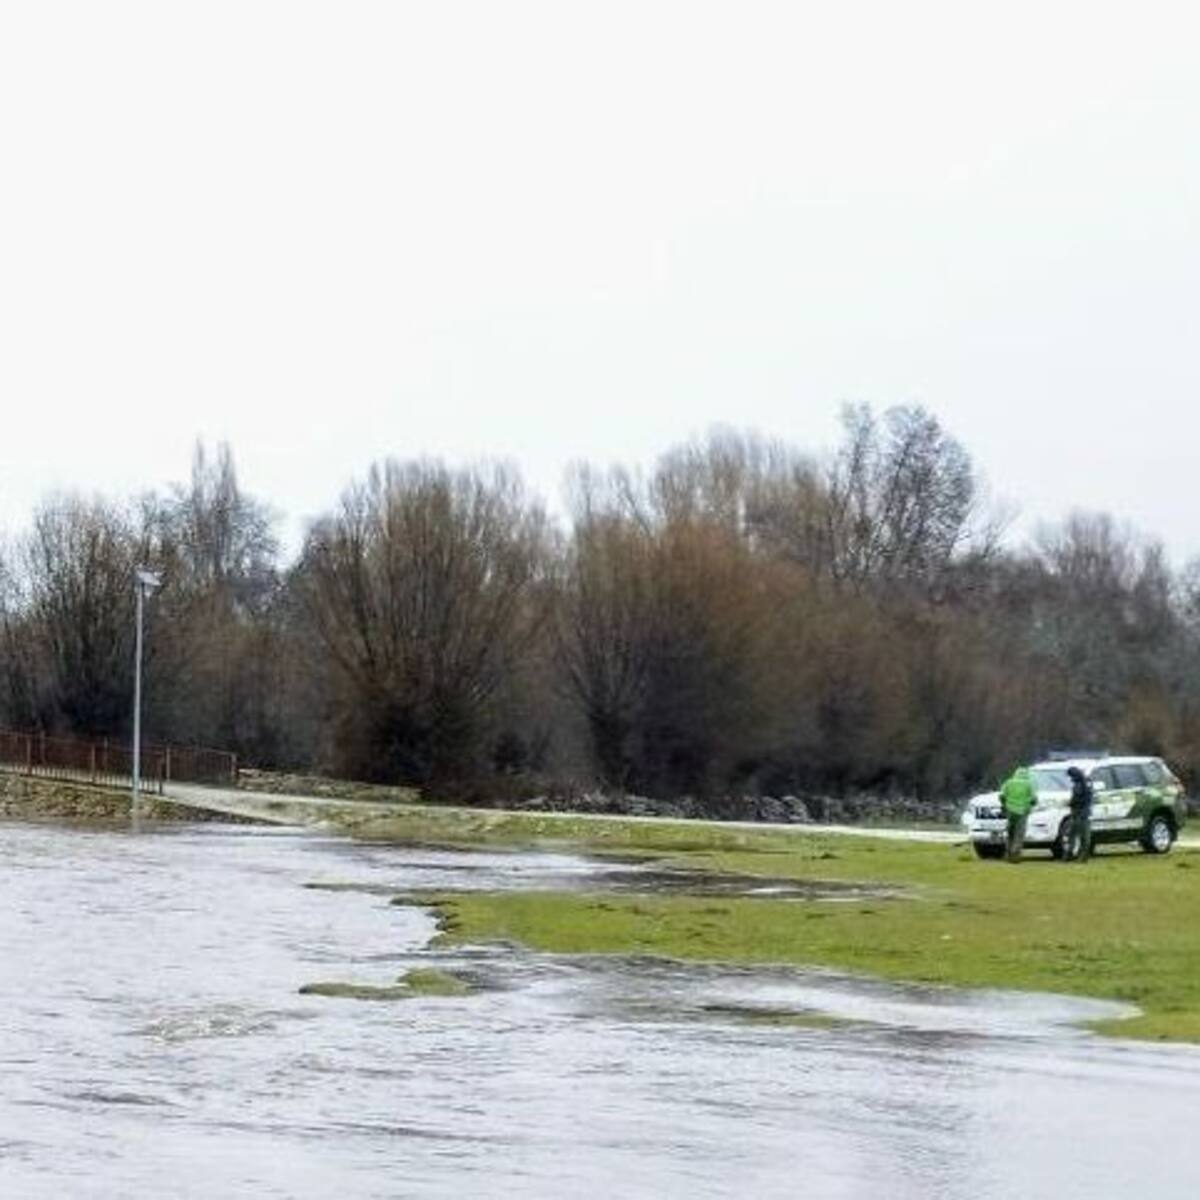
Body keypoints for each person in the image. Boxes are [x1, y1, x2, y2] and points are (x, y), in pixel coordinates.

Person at [999, 766, 1036, 862]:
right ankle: (1015, 854)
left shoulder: (1008, 782)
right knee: (1019, 834)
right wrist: (1031, 804)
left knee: (1010, 832)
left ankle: (1008, 853)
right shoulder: (1028, 784)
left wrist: (1005, 804)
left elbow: (1001, 796)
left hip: (1010, 811)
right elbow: (1034, 799)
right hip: (1022, 812)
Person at [1066, 766, 1094, 862]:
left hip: (1081, 811)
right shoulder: (1083, 782)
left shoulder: (1082, 783)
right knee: (1074, 833)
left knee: (1082, 834)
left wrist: (1071, 803)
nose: (1070, 779)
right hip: (1079, 811)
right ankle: (1073, 854)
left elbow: (1082, 798)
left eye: (1071, 776)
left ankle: (1082, 855)